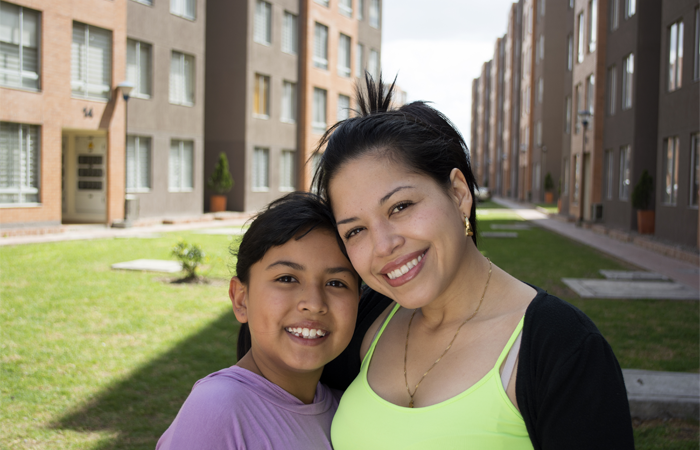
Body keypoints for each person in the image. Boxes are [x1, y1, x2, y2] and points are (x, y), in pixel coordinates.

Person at [317, 76, 635, 449]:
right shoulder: (366, 320)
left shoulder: (562, 349)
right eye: (356, 231)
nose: (383, 245)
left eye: (400, 207)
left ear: (458, 193)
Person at [157, 192, 361, 450]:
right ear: (241, 300)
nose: (314, 303)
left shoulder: (349, 411)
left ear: (358, 300)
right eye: (287, 278)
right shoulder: (218, 408)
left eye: (336, 283)